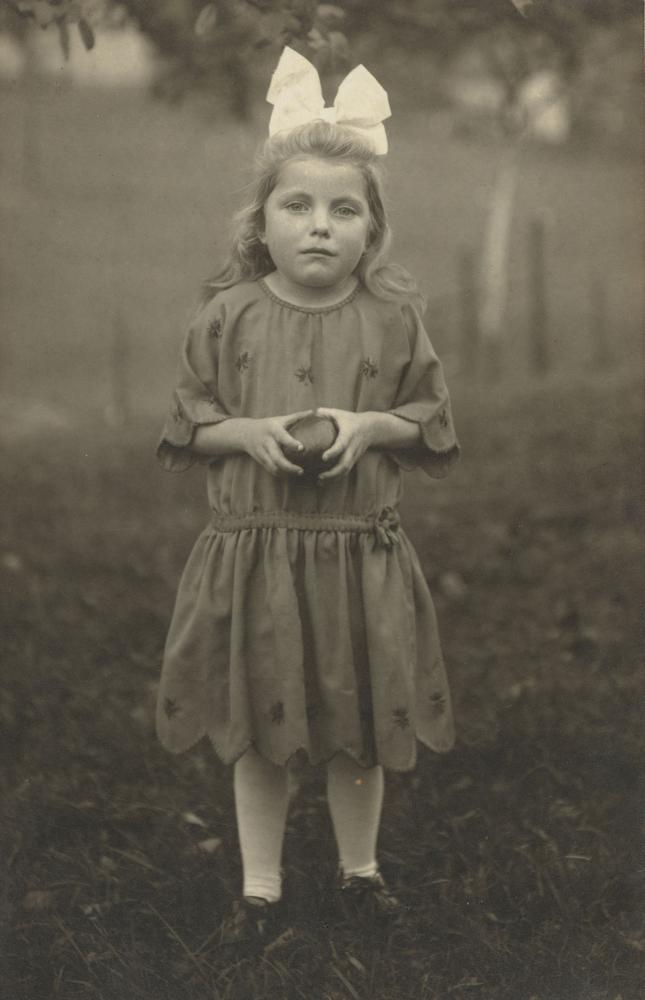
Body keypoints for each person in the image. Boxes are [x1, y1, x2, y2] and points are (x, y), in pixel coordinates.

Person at [155, 47, 460, 944]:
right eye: (297, 205)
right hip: (257, 551)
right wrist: (247, 433)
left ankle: (359, 871)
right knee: (259, 724)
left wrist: (368, 427)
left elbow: (430, 417)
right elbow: (187, 425)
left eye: (343, 209)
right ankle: (260, 886)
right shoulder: (226, 313)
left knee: (359, 723)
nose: (319, 226)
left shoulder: (394, 317)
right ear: (261, 223)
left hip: (358, 550)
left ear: (372, 229)